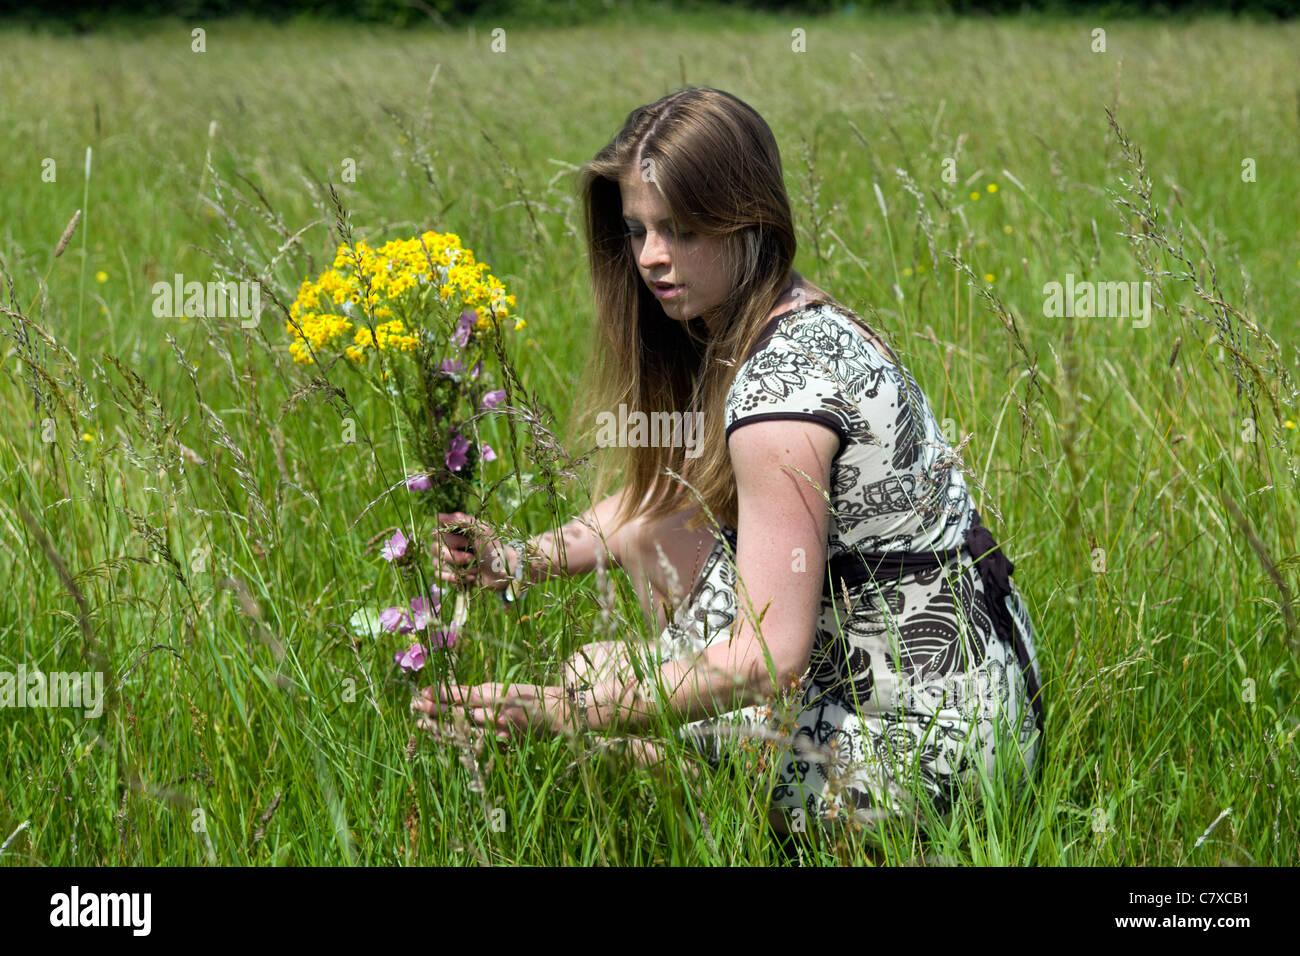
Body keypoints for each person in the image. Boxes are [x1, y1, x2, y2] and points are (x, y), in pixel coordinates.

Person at [413, 87, 1043, 849]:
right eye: (637, 229)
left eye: (679, 228)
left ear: (749, 217)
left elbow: (768, 658)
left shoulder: (777, 406)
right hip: (985, 689)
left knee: (593, 698)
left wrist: (567, 712)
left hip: (925, 756)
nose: (649, 256)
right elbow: (658, 503)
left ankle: (721, 820)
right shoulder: (799, 319)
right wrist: (515, 561)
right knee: (609, 654)